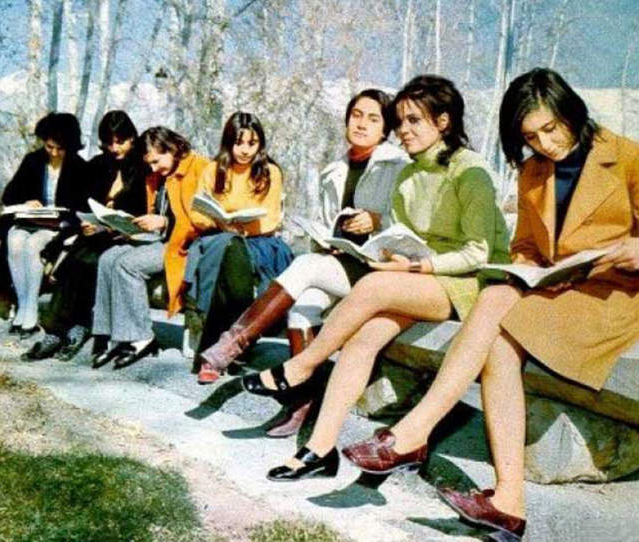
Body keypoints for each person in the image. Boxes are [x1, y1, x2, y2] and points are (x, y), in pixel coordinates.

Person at [341, 68, 639, 541]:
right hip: (561, 289)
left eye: (551, 129)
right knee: (498, 303)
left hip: (617, 294)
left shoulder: (626, 157)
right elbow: (526, 245)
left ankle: (415, 435)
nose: (544, 144)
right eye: (530, 137)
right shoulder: (533, 171)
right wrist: (528, 268)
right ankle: (507, 501)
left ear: (572, 112)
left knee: (502, 328)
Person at [242, 74, 510, 483]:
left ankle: (302, 365)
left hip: (471, 281)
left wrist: (415, 267)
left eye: (414, 120)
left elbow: (479, 252)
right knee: (363, 337)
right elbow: (405, 237)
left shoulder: (469, 171)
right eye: (399, 121)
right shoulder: (408, 175)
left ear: (443, 122)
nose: (403, 130)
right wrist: (391, 255)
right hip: (424, 279)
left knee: (370, 286)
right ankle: (319, 450)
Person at [194, 90, 410, 437]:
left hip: (380, 271)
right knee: (302, 308)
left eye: (373, 118)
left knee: (307, 265)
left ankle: (233, 343)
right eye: (356, 115)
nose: (362, 124)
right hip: (340, 265)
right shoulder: (334, 170)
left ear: (385, 129)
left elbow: (410, 223)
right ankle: (301, 403)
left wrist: (376, 220)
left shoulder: (399, 166)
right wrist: (326, 241)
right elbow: (325, 224)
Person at [23, 111, 149, 361]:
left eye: (120, 142)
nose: (114, 148)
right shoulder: (98, 165)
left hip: (128, 236)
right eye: (109, 142)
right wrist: (86, 222)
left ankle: (78, 326)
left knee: (90, 261)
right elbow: (81, 202)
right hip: (96, 234)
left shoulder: (143, 167)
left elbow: (143, 209)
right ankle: (55, 332)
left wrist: (111, 226)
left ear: (132, 138)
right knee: (73, 261)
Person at [185, 111, 293, 381]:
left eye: (252, 143)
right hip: (219, 236)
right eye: (238, 143)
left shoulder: (270, 172)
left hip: (258, 241)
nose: (245, 150)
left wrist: (241, 228)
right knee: (227, 249)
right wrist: (220, 223)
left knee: (232, 253)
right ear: (228, 143)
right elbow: (197, 212)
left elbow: (270, 218)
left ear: (260, 144)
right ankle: (228, 348)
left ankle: (211, 352)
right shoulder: (213, 170)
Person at [90, 126, 210, 369]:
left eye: (156, 161)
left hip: (186, 243)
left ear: (172, 148)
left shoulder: (199, 168)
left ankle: (142, 337)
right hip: (159, 238)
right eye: (149, 163)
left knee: (127, 265)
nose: (153, 168)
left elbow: (204, 220)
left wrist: (164, 222)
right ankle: (108, 334)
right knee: (108, 258)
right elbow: (156, 210)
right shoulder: (157, 175)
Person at [1, 112, 88, 338]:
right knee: (15, 240)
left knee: (34, 245)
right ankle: (23, 305)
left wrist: (62, 213)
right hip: (30, 220)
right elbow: (9, 196)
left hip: (59, 227)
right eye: (50, 147)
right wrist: (26, 202)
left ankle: (30, 311)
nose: (54, 153)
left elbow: (81, 207)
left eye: (60, 148)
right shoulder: (33, 160)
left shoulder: (79, 167)